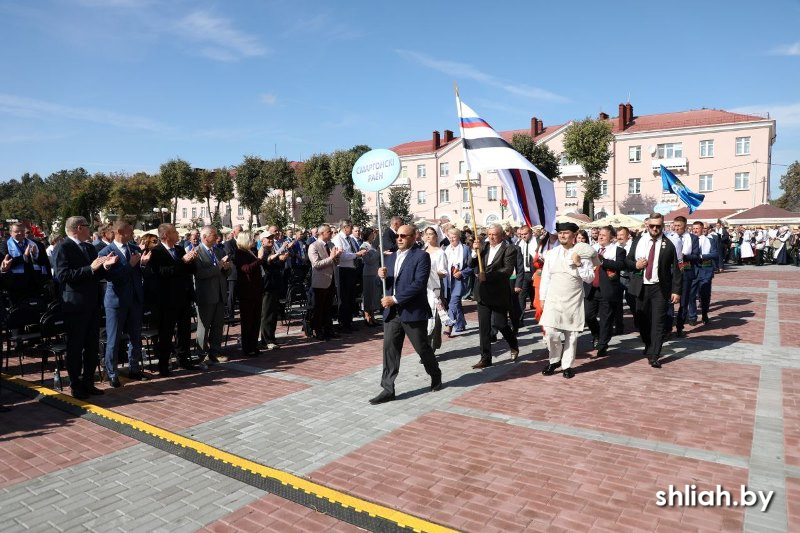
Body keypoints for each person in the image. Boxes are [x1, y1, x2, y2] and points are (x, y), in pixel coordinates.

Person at [369, 225, 443, 404]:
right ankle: (388, 388)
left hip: (412, 312)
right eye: (397, 236)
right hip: (392, 314)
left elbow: (418, 284)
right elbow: (386, 285)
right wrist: (380, 276)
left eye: (403, 235)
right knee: (390, 350)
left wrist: (394, 299)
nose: (399, 238)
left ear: (413, 237)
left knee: (422, 348)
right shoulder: (391, 257)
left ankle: (435, 374)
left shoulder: (421, 256)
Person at [53, 216, 115, 399]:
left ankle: (89, 382)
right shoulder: (62, 247)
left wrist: (106, 266)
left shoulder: (88, 247)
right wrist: (90, 268)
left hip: (92, 303)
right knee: (75, 346)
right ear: (79, 228)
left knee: (91, 345)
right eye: (88, 227)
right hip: (75, 305)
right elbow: (63, 275)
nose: (90, 230)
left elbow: (96, 272)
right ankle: (76, 384)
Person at [539, 222, 596, 378]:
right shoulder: (551, 253)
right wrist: (542, 298)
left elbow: (590, 278)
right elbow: (545, 277)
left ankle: (567, 365)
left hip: (573, 298)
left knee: (571, 335)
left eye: (566, 233)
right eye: (560, 233)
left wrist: (578, 263)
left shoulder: (583, 253)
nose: (562, 235)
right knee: (551, 332)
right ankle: (554, 359)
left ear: (574, 236)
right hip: (553, 298)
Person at [625, 213, 682, 368]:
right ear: (647, 226)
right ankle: (648, 343)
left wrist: (676, 290)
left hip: (659, 288)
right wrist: (635, 265)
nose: (655, 228)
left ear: (662, 226)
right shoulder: (638, 241)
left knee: (658, 322)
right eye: (652, 226)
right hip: (641, 287)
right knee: (642, 321)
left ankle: (654, 354)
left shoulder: (669, 244)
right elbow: (628, 260)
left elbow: (677, 269)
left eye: (658, 226)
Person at [98, 221, 148, 387]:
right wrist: (131, 264)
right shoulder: (106, 251)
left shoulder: (133, 248)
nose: (132, 234)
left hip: (134, 299)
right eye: (130, 231)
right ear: (119, 231)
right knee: (114, 338)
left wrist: (143, 264)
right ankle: (111, 373)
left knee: (135, 337)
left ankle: (134, 368)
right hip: (116, 301)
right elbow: (112, 277)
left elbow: (139, 272)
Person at [148, 223, 199, 376]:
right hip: (167, 300)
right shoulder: (156, 252)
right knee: (166, 332)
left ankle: (184, 359)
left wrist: (191, 260)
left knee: (184, 331)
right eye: (175, 232)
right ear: (166, 236)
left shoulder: (178, 249)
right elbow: (163, 272)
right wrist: (182, 262)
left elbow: (189, 271)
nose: (178, 235)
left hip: (183, 297)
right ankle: (163, 364)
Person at [469, 224, 520, 368]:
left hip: (498, 292)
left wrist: (488, 276)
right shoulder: (483, 247)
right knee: (484, 327)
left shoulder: (509, 249)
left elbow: (507, 270)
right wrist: (474, 251)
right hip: (482, 293)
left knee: (500, 324)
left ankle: (513, 343)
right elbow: (470, 263)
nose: (491, 237)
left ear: (502, 235)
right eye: (489, 234)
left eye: (494, 234)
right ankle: (485, 358)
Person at [584, 226, 626, 358]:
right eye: (599, 234)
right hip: (591, 288)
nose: (600, 237)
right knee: (588, 315)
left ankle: (603, 345)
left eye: (604, 235)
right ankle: (596, 334)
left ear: (612, 237)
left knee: (606, 319)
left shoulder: (618, 250)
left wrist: (602, 260)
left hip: (607, 289)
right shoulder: (591, 248)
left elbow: (620, 266)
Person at [194, 225, 231, 364]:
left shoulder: (218, 251)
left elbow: (226, 271)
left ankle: (215, 352)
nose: (217, 237)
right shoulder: (197, 252)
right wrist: (219, 267)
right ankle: (202, 355)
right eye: (213, 235)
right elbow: (200, 274)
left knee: (217, 326)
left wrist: (227, 268)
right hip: (206, 295)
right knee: (204, 326)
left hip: (220, 294)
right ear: (204, 237)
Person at [231, 232, 266, 356]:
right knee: (248, 321)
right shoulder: (239, 253)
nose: (253, 240)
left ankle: (254, 345)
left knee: (256, 319)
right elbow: (246, 269)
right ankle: (247, 347)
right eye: (251, 239)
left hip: (256, 290)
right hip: (247, 291)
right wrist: (259, 260)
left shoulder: (250, 251)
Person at [0, 222, 50, 304]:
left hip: (34, 283)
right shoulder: (5, 244)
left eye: (22, 231)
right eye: (17, 231)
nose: (20, 233)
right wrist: (24, 257)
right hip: (15, 284)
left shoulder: (33, 243)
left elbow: (44, 261)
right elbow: (6, 263)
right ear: (11, 233)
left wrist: (35, 255)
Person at [332, 220, 367, 333]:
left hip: (351, 269)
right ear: (345, 227)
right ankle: (343, 323)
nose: (352, 230)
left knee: (350, 297)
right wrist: (356, 255)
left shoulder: (350, 238)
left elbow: (352, 251)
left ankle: (349, 322)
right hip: (342, 269)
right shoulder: (338, 239)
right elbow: (341, 256)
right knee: (343, 297)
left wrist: (359, 253)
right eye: (351, 227)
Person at [308, 224, 342, 340]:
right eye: (329, 232)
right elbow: (316, 264)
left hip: (331, 280)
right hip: (320, 282)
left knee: (328, 307)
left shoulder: (331, 245)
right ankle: (318, 331)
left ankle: (329, 329)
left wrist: (337, 257)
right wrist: (331, 258)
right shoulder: (313, 246)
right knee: (319, 308)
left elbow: (335, 262)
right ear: (322, 233)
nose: (331, 234)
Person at [670, 217, 700, 337]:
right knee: (669, 301)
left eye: (679, 226)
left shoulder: (693, 238)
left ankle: (679, 327)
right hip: (671, 273)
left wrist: (682, 256)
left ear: (685, 226)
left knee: (684, 302)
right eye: (675, 225)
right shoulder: (669, 237)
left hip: (686, 272)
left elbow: (696, 255)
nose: (677, 228)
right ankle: (668, 326)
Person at [259, 232, 288, 350]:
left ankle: (271, 337)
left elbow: (276, 265)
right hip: (268, 286)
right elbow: (267, 260)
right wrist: (278, 256)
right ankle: (266, 340)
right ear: (263, 241)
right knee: (267, 314)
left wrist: (282, 259)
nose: (271, 240)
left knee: (273, 313)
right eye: (268, 238)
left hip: (275, 285)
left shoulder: (271, 250)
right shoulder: (263, 250)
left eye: (272, 238)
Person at [442, 227, 472, 336]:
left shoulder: (465, 249)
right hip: (447, 280)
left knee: (453, 303)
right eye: (450, 237)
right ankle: (460, 324)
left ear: (459, 237)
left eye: (454, 237)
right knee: (456, 304)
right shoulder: (445, 249)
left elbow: (471, 266)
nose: (452, 239)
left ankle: (449, 325)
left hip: (459, 281)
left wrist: (462, 273)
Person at [422, 226, 448, 351]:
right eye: (426, 234)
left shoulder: (440, 252)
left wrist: (431, 273)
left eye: (431, 234)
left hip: (435, 287)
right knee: (424, 317)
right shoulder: (422, 250)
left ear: (436, 236)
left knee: (435, 316)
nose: (428, 236)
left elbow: (443, 272)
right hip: (422, 288)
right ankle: (425, 345)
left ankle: (432, 345)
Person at [690, 222, 718, 326]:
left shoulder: (710, 240)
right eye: (694, 228)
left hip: (705, 270)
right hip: (692, 271)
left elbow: (715, 254)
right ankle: (692, 316)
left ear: (703, 229)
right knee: (691, 295)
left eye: (697, 228)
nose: (695, 230)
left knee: (705, 295)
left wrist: (702, 256)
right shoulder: (689, 240)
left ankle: (704, 314)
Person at [360, 228, 381, 327]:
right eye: (372, 234)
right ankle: (367, 317)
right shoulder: (363, 246)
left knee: (373, 296)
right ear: (367, 235)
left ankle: (372, 317)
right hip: (368, 273)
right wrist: (379, 253)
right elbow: (368, 261)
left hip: (374, 272)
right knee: (368, 295)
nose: (373, 236)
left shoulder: (372, 245)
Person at [515, 226, 535, 328]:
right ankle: (520, 319)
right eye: (521, 235)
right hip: (523, 274)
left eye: (525, 234)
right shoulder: (519, 243)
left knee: (535, 298)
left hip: (535, 274)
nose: (523, 236)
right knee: (521, 297)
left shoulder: (537, 242)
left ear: (530, 233)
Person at [223, 224, 243, 318]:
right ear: (234, 232)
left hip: (243, 272)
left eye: (242, 230)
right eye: (240, 230)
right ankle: (231, 316)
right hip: (233, 273)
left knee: (242, 296)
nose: (241, 232)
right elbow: (230, 256)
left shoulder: (244, 242)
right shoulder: (229, 243)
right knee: (232, 296)